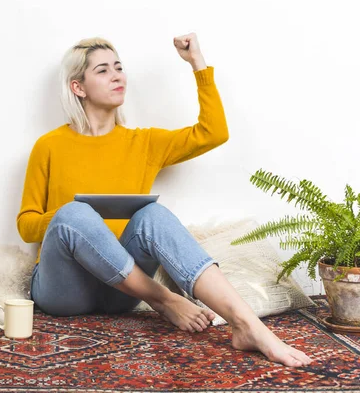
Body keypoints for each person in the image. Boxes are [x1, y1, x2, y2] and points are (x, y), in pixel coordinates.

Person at [16, 34, 312, 368]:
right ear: (78, 87)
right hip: (63, 290)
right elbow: (27, 225)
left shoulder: (143, 143)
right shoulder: (50, 146)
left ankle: (247, 325)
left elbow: (213, 133)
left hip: (122, 292)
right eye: (103, 70)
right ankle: (165, 299)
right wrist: (77, 216)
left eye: (119, 68)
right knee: (74, 214)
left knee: (153, 214)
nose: (117, 76)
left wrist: (197, 63)